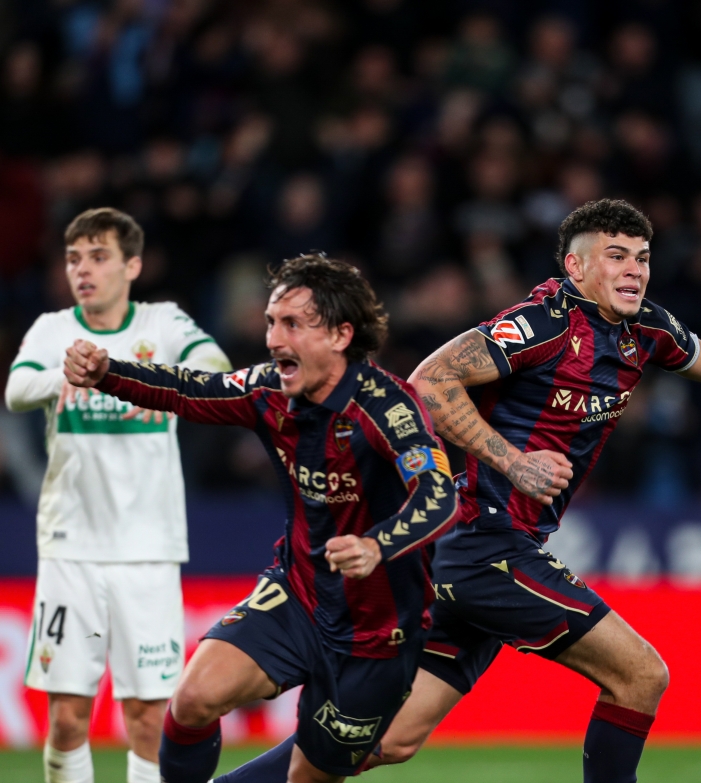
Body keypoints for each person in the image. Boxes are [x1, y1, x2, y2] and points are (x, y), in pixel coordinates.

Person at [361, 198, 701, 781]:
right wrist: (514, 463)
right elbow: (428, 381)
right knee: (641, 675)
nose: (634, 270)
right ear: (576, 268)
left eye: (642, 258)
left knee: (388, 740)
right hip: (483, 542)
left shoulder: (646, 329)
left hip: (491, 548)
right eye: (615, 257)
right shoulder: (543, 323)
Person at [62, 254, 459, 783]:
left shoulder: (388, 408)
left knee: (305, 778)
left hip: (377, 632)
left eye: (292, 323)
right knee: (194, 698)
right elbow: (189, 388)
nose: (273, 338)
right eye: (272, 321)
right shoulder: (269, 391)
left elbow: (439, 495)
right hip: (299, 596)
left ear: (341, 335)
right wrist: (109, 373)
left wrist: (377, 545)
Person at [4, 208, 231, 783]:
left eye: (98, 256)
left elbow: (216, 364)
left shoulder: (162, 322)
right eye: (74, 257)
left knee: (148, 717)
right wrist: (69, 376)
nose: (83, 269)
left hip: (148, 551)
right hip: (71, 549)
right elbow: (15, 390)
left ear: (132, 264)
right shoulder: (54, 330)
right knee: (67, 719)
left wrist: (157, 383)